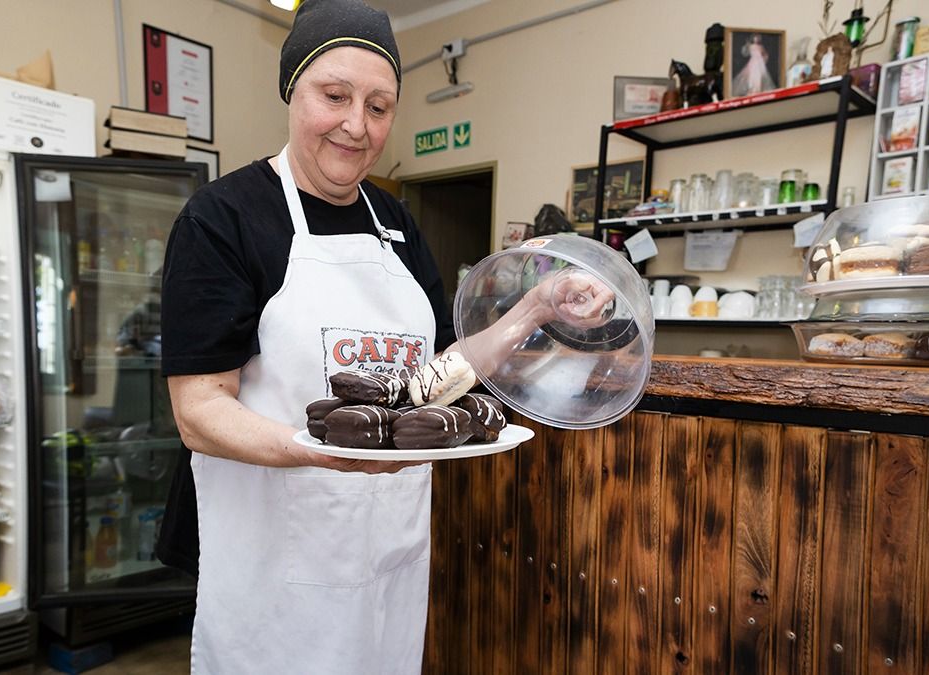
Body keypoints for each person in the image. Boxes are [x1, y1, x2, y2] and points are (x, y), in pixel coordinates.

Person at [156, 1, 614, 672]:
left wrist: (537, 307)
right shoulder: (225, 218)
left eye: (379, 106)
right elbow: (198, 411)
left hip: (388, 548)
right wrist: (319, 450)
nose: (355, 125)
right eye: (334, 96)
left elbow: (435, 377)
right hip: (276, 558)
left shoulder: (395, 222)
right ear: (292, 90)